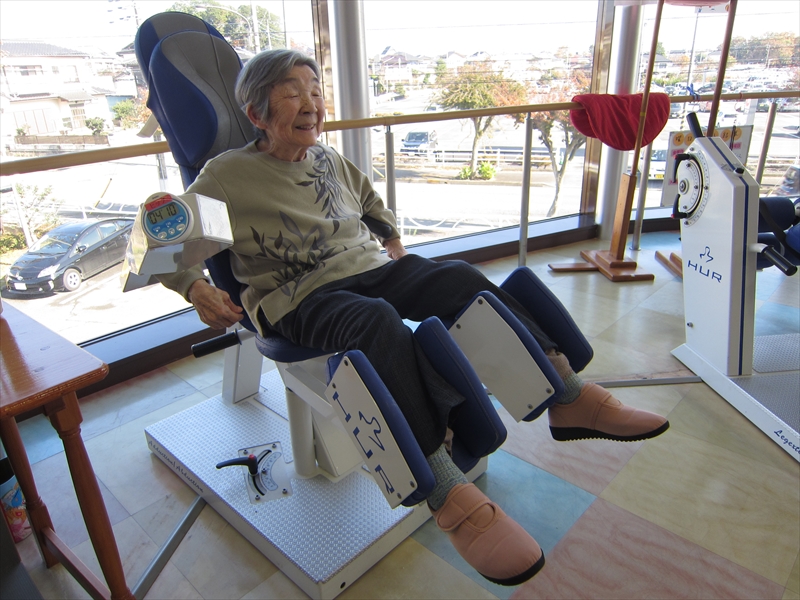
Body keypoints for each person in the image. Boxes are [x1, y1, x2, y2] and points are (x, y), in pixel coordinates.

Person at [158, 49, 669, 586]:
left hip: (367, 268)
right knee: (376, 321)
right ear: (256, 113)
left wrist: (392, 239)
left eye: (315, 90)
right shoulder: (227, 176)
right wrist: (195, 286)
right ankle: (446, 490)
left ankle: (566, 395)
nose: (310, 103)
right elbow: (163, 243)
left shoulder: (327, 158)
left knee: (457, 278)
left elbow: (368, 200)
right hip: (299, 296)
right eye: (291, 93)